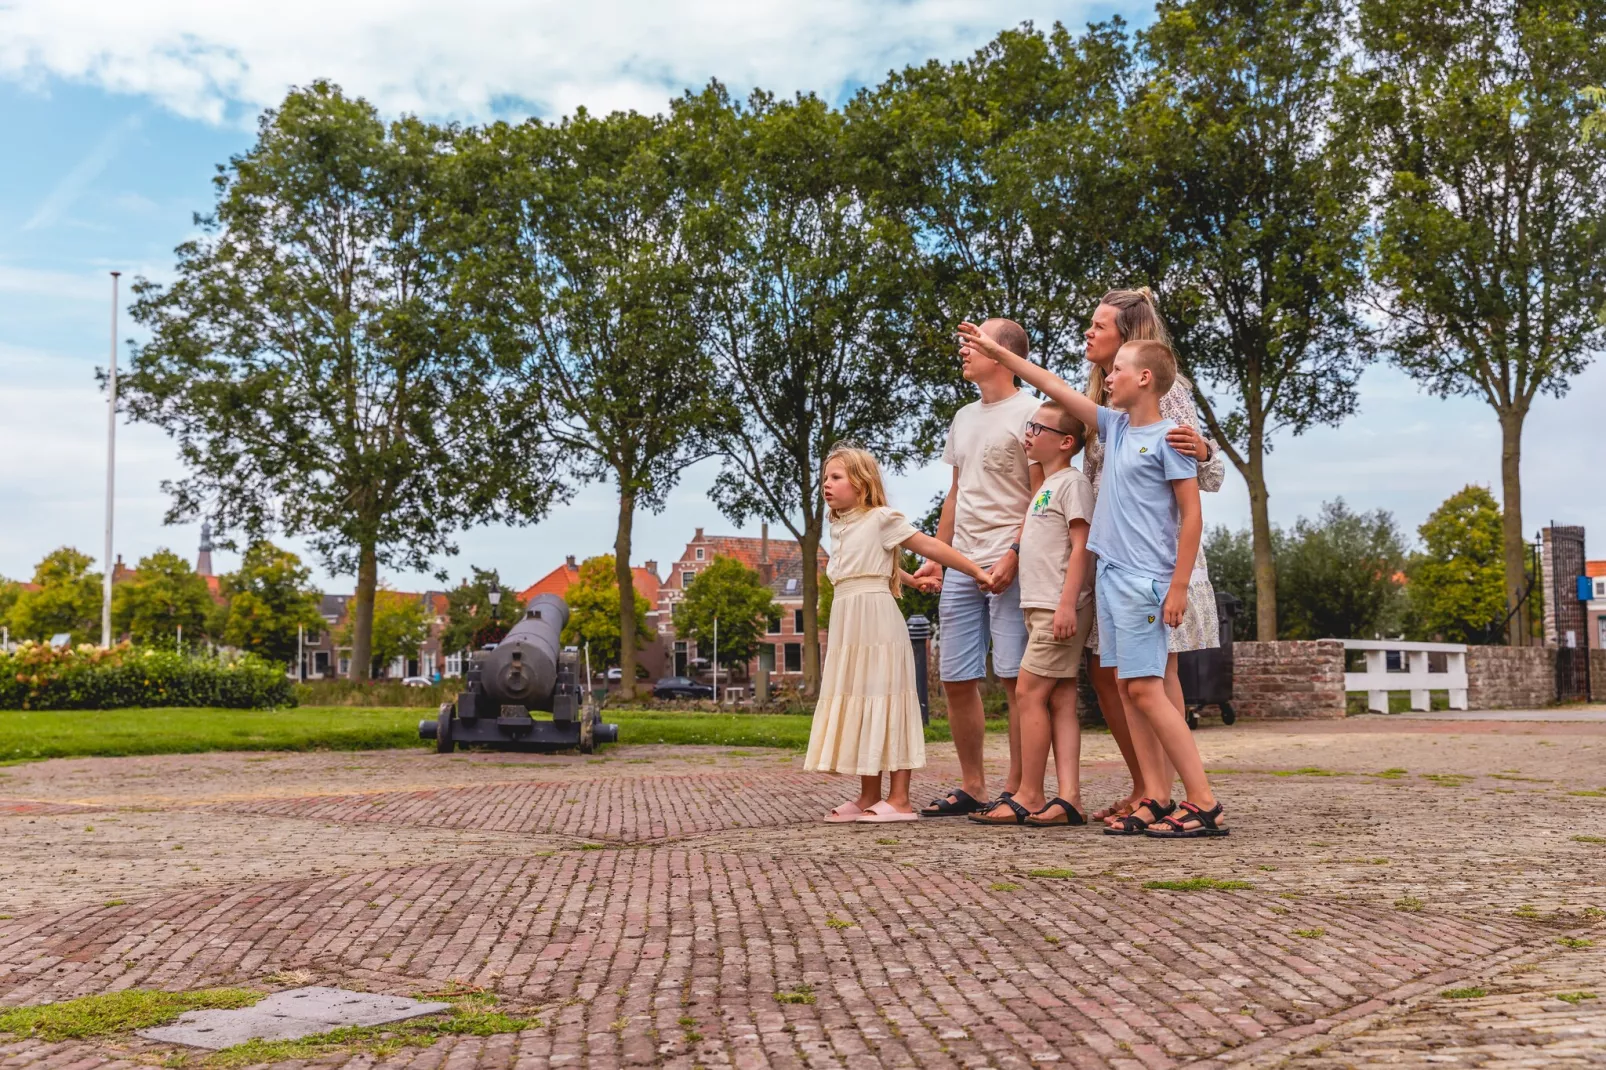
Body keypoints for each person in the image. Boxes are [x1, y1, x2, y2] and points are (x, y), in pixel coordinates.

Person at [958, 324, 1229, 838]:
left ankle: (1204, 802)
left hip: (1145, 582)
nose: (1108, 378)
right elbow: (1055, 386)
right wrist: (997, 352)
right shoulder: (1117, 428)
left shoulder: (1169, 441)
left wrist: (1176, 587)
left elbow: (1191, 517)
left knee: (1148, 690)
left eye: (1119, 369)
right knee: (1129, 691)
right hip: (1111, 579)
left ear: (1145, 379)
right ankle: (1155, 795)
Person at [1078, 289, 1223, 829]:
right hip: (1111, 558)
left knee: (1155, 680)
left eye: (1099, 326)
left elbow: (1199, 480)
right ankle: (1152, 789)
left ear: (1128, 337)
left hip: (1151, 562)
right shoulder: (1108, 404)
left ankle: (1191, 797)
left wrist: (1205, 451)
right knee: (1121, 679)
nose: (1088, 334)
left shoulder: (1165, 394)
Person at [805, 444, 994, 823]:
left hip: (876, 621)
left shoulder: (882, 518)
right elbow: (869, 564)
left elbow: (930, 546)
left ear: (861, 483)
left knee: (886, 698)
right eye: (825, 478)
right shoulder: (839, 525)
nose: (827, 484)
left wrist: (976, 572)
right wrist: (909, 579)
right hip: (847, 623)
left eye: (836, 477)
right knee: (861, 700)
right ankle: (868, 795)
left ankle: (901, 798)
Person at [909, 319, 1044, 819]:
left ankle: (1017, 788)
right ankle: (974, 787)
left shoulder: (1033, 413)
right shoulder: (963, 417)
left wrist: (1015, 552)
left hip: (1013, 561)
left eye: (974, 343)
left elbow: (1041, 495)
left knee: (1015, 679)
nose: (964, 351)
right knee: (956, 677)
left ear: (1002, 354)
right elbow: (956, 492)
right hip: (963, 563)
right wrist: (936, 556)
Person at [968, 399, 1095, 827]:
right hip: (1038, 606)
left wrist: (1066, 603)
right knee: (1059, 698)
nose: (1028, 434)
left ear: (1065, 442)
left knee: (1027, 693)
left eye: (1036, 428)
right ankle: (1070, 797)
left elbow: (1082, 546)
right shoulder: (1047, 483)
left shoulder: (1072, 484)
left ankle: (1030, 793)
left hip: (1056, 608)